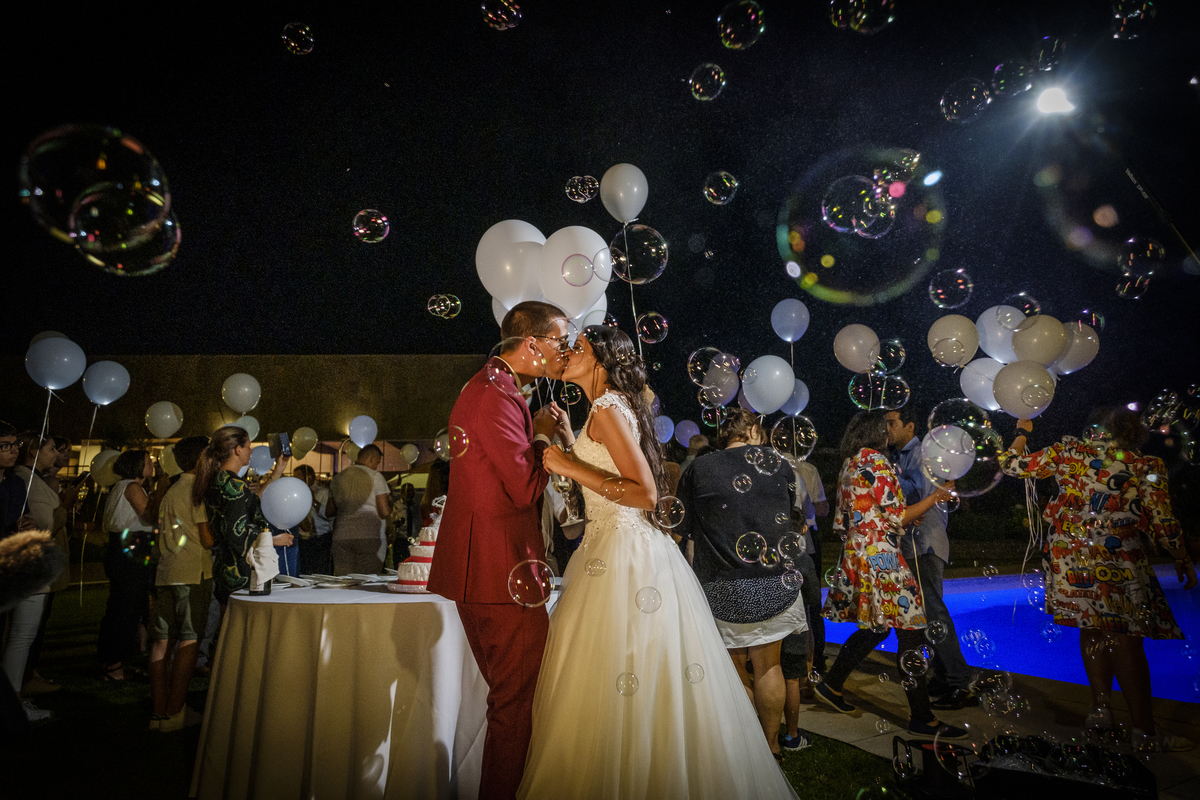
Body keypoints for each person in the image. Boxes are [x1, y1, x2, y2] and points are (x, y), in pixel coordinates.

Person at [519, 326, 799, 799]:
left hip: (623, 555)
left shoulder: (608, 408)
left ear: (604, 361)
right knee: (628, 670)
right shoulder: (603, 410)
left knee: (623, 666)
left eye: (579, 348)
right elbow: (606, 476)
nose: (568, 354)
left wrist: (566, 464)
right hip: (609, 547)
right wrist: (566, 444)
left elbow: (644, 492)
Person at [427, 300, 572, 800]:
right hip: (498, 569)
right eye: (560, 340)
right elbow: (526, 488)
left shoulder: (493, 386)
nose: (565, 351)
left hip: (484, 569)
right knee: (517, 704)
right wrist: (543, 436)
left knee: (511, 698)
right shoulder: (495, 395)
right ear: (531, 344)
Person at [1000, 408, 1196, 752]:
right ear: (1133, 432)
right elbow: (1162, 519)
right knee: (1126, 640)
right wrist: (1180, 555)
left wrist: (1022, 431)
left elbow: (1012, 465)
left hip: (1067, 554)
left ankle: (1101, 713)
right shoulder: (1144, 466)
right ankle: (1144, 733)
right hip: (1115, 557)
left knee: (1092, 627)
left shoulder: (1067, 451)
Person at [815, 411, 966, 739]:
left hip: (859, 553)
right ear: (874, 433)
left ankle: (831, 685)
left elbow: (845, 521)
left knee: (878, 628)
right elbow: (897, 516)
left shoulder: (850, 464)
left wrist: (880, 522)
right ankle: (923, 719)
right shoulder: (878, 462)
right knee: (910, 630)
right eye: (883, 428)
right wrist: (937, 497)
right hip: (882, 557)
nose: (887, 433)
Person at [675, 408, 813, 759]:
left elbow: (683, 530)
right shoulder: (780, 466)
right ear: (753, 431)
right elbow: (793, 519)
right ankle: (770, 746)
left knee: (734, 670)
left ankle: (746, 749)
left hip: (722, 586)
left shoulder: (699, 469)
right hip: (774, 584)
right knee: (770, 666)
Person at [885, 406, 976, 710]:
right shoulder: (898, 456)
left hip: (924, 545)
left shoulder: (921, 454)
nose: (887, 428)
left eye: (892, 423)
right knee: (926, 617)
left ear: (910, 426)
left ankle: (961, 683)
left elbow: (917, 496)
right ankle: (943, 675)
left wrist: (885, 482)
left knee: (934, 614)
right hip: (912, 545)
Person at [149, 435, 211, 733]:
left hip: (165, 572)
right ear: (203, 459)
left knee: (162, 642)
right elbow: (207, 537)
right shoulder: (197, 491)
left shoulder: (171, 489)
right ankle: (176, 713)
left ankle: (159, 712)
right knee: (188, 640)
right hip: (192, 572)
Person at [2, 432, 66, 720]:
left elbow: (28, 520)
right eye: (5, 446)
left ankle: (13, 701)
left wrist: (25, 524)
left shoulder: (15, 483)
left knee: (22, 636)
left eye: (14, 445)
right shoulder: (25, 480)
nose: (13, 450)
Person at [191, 426, 292, 607]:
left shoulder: (218, 480)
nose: (251, 451)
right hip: (240, 570)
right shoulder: (234, 484)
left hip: (224, 565)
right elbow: (235, 534)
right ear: (238, 450)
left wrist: (279, 469)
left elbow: (249, 504)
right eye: (248, 446)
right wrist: (273, 540)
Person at [97, 449, 167, 681]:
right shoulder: (132, 486)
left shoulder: (121, 486)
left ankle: (109, 662)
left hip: (122, 549)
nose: (152, 463)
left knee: (118, 607)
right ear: (137, 465)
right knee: (127, 608)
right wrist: (160, 493)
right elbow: (149, 517)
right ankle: (114, 667)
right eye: (148, 461)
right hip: (131, 550)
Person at [327, 444, 390, 575]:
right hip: (369, 536)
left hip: (342, 536)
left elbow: (330, 511)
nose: (376, 466)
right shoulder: (375, 476)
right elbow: (384, 512)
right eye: (377, 462)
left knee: (344, 581)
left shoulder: (338, 478)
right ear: (371, 458)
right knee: (368, 581)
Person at [295, 465, 333, 575]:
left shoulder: (323, 492)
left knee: (321, 570)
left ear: (309, 477)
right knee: (306, 570)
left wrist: (313, 501)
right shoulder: (297, 493)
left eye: (299, 477)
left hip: (322, 538)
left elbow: (328, 515)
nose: (296, 481)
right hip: (305, 538)